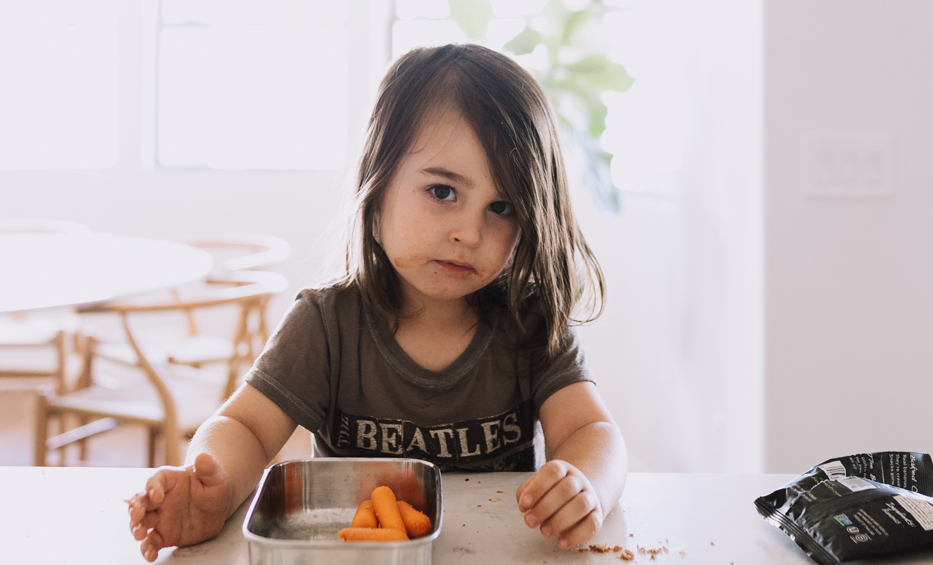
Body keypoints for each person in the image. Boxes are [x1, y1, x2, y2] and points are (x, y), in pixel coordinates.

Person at [127, 44, 626, 560]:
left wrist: (585, 484)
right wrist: (218, 486)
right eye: (442, 192)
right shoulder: (326, 324)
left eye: (501, 207)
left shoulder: (531, 324)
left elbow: (593, 431)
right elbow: (245, 426)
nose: (470, 233)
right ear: (378, 180)